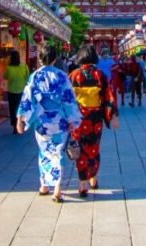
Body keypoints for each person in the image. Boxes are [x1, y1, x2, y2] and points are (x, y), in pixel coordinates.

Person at [16, 44, 82, 203]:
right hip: (60, 121)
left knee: (44, 152)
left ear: (40, 58)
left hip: (41, 120)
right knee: (58, 153)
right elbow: (68, 100)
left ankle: (44, 185)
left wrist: (20, 119)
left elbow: (27, 98)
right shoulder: (61, 76)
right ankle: (57, 188)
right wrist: (72, 119)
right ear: (55, 59)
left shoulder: (35, 76)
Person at [69, 46, 119, 196]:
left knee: (80, 149)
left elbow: (67, 99)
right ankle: (93, 178)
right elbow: (109, 96)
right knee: (93, 148)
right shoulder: (100, 75)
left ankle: (82, 184)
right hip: (95, 118)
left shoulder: (73, 75)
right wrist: (113, 116)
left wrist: (67, 117)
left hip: (78, 117)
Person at [3, 50, 30, 134]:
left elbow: (5, 77)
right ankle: (21, 125)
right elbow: (28, 77)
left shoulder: (9, 68)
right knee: (21, 108)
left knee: (13, 109)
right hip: (22, 91)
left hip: (11, 91)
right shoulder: (24, 67)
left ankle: (15, 127)